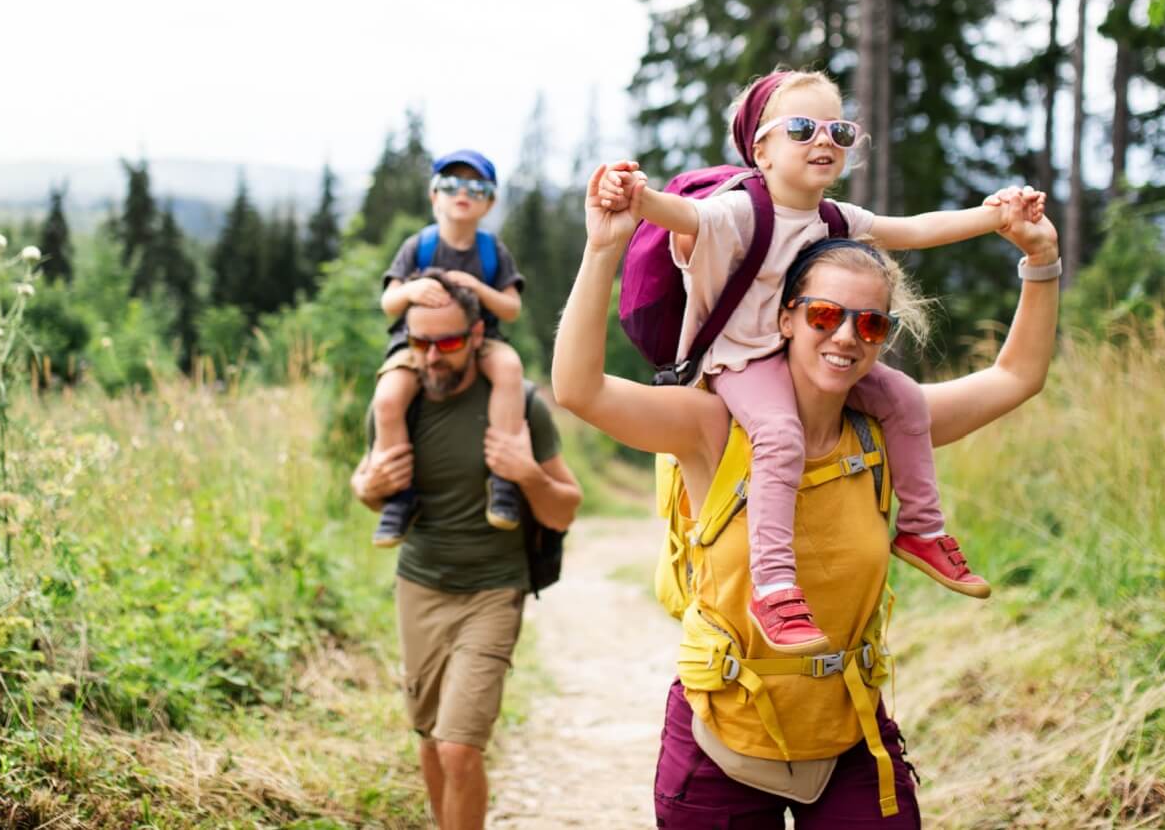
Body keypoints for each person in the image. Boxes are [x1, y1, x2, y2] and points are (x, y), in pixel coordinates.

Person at [554, 162, 1061, 826]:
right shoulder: (713, 427)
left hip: (850, 737)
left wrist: (1042, 260)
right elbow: (579, 390)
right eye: (824, 315)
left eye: (871, 325)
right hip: (719, 743)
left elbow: (1017, 375)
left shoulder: (888, 430)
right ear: (785, 318)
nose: (847, 337)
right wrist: (602, 249)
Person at [599, 69, 1044, 653]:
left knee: (906, 398)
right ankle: (775, 586)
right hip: (741, 364)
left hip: (798, 355)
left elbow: (910, 231)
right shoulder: (738, 211)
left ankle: (920, 530)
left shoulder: (833, 219)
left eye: (839, 129)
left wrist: (996, 218)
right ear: (761, 148)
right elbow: (684, 217)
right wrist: (634, 197)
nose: (825, 141)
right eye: (803, 128)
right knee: (780, 435)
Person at [351, 270, 582, 830]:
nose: (432, 357)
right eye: (419, 342)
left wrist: (526, 474)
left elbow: (564, 507)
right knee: (430, 741)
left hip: (492, 591)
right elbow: (366, 486)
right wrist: (368, 486)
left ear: (477, 336)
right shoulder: (398, 404)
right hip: (420, 587)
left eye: (448, 342)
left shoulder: (521, 406)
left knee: (459, 747)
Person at [371, 148, 530, 546]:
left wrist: (477, 288)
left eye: (476, 188)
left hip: (481, 338)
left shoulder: (492, 251)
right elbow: (388, 303)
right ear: (434, 196)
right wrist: (409, 289)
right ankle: (399, 496)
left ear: (490, 202)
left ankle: (503, 480)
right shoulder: (418, 247)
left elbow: (511, 308)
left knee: (510, 371)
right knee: (389, 400)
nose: (463, 194)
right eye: (451, 185)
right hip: (419, 343)